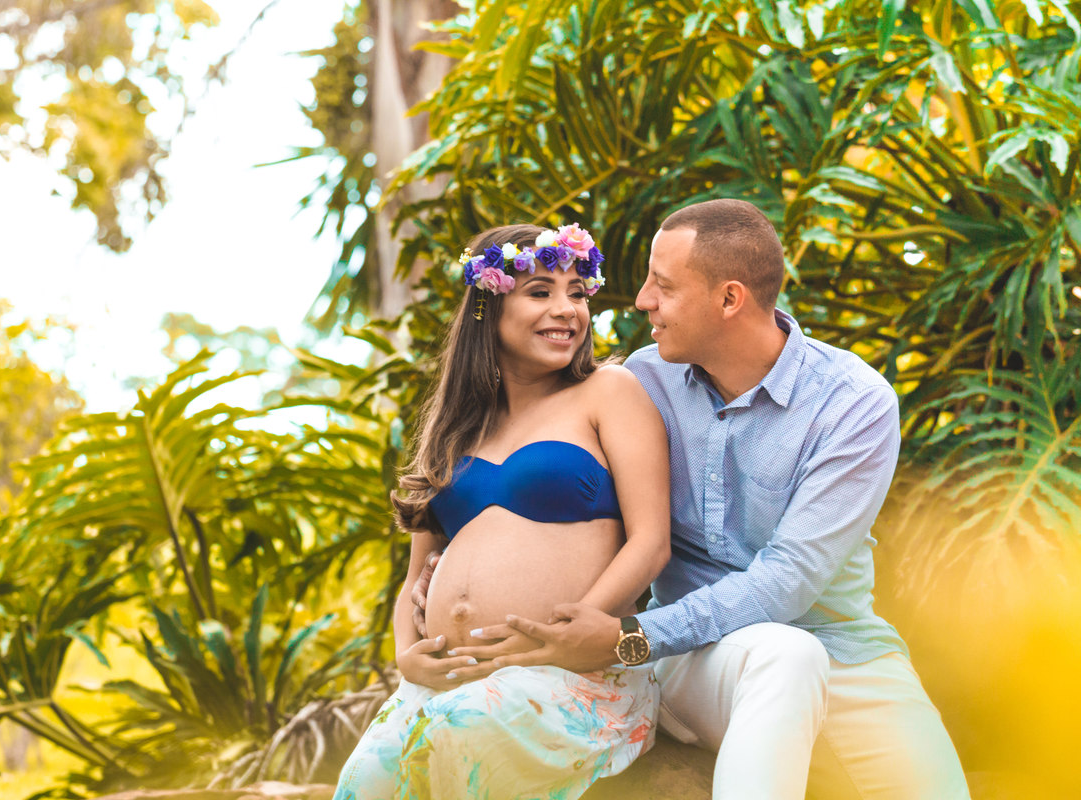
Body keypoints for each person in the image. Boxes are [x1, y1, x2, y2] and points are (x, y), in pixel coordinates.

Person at [431, 201, 971, 799]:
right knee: (786, 655)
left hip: (843, 654)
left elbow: (787, 581)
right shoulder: (643, 381)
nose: (642, 301)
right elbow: (544, 471)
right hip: (690, 658)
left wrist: (627, 636)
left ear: (730, 299)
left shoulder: (853, 403)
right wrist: (461, 564)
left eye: (663, 286)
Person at [333, 223, 671, 800]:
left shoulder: (609, 391)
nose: (566, 309)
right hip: (445, 685)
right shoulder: (457, 428)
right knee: (362, 783)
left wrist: (572, 632)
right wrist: (406, 657)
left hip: (574, 674)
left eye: (577, 292)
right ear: (487, 308)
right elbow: (414, 577)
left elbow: (651, 542)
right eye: (540, 292)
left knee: (460, 729)